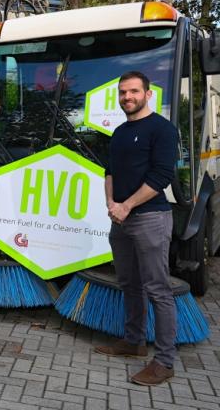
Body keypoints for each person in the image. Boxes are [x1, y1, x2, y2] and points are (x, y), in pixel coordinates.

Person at [94, 71, 178, 386]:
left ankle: (165, 361)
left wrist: (127, 205)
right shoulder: (118, 132)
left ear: (147, 94)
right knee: (129, 283)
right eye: (123, 92)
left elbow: (161, 177)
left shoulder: (162, 129)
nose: (127, 97)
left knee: (158, 289)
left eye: (133, 92)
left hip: (150, 219)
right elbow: (110, 171)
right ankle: (134, 341)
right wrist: (112, 205)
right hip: (121, 220)